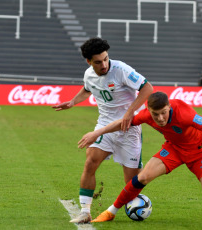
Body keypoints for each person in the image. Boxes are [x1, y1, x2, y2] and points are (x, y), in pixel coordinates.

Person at [77, 92, 202, 223]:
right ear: (148, 110)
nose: (160, 118)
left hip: (200, 152)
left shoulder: (184, 113)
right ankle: (111, 212)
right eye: (155, 114)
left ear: (169, 107)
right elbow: (122, 123)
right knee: (143, 177)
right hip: (174, 149)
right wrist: (97, 133)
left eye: (164, 112)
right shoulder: (145, 115)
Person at [52, 37, 153, 223]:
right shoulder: (89, 74)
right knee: (90, 161)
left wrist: (130, 112)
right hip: (104, 125)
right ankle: (85, 211)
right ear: (89, 62)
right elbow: (87, 89)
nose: (104, 64)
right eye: (98, 62)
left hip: (129, 129)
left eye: (106, 59)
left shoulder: (121, 69)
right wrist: (73, 102)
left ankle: (134, 202)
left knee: (132, 182)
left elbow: (148, 88)